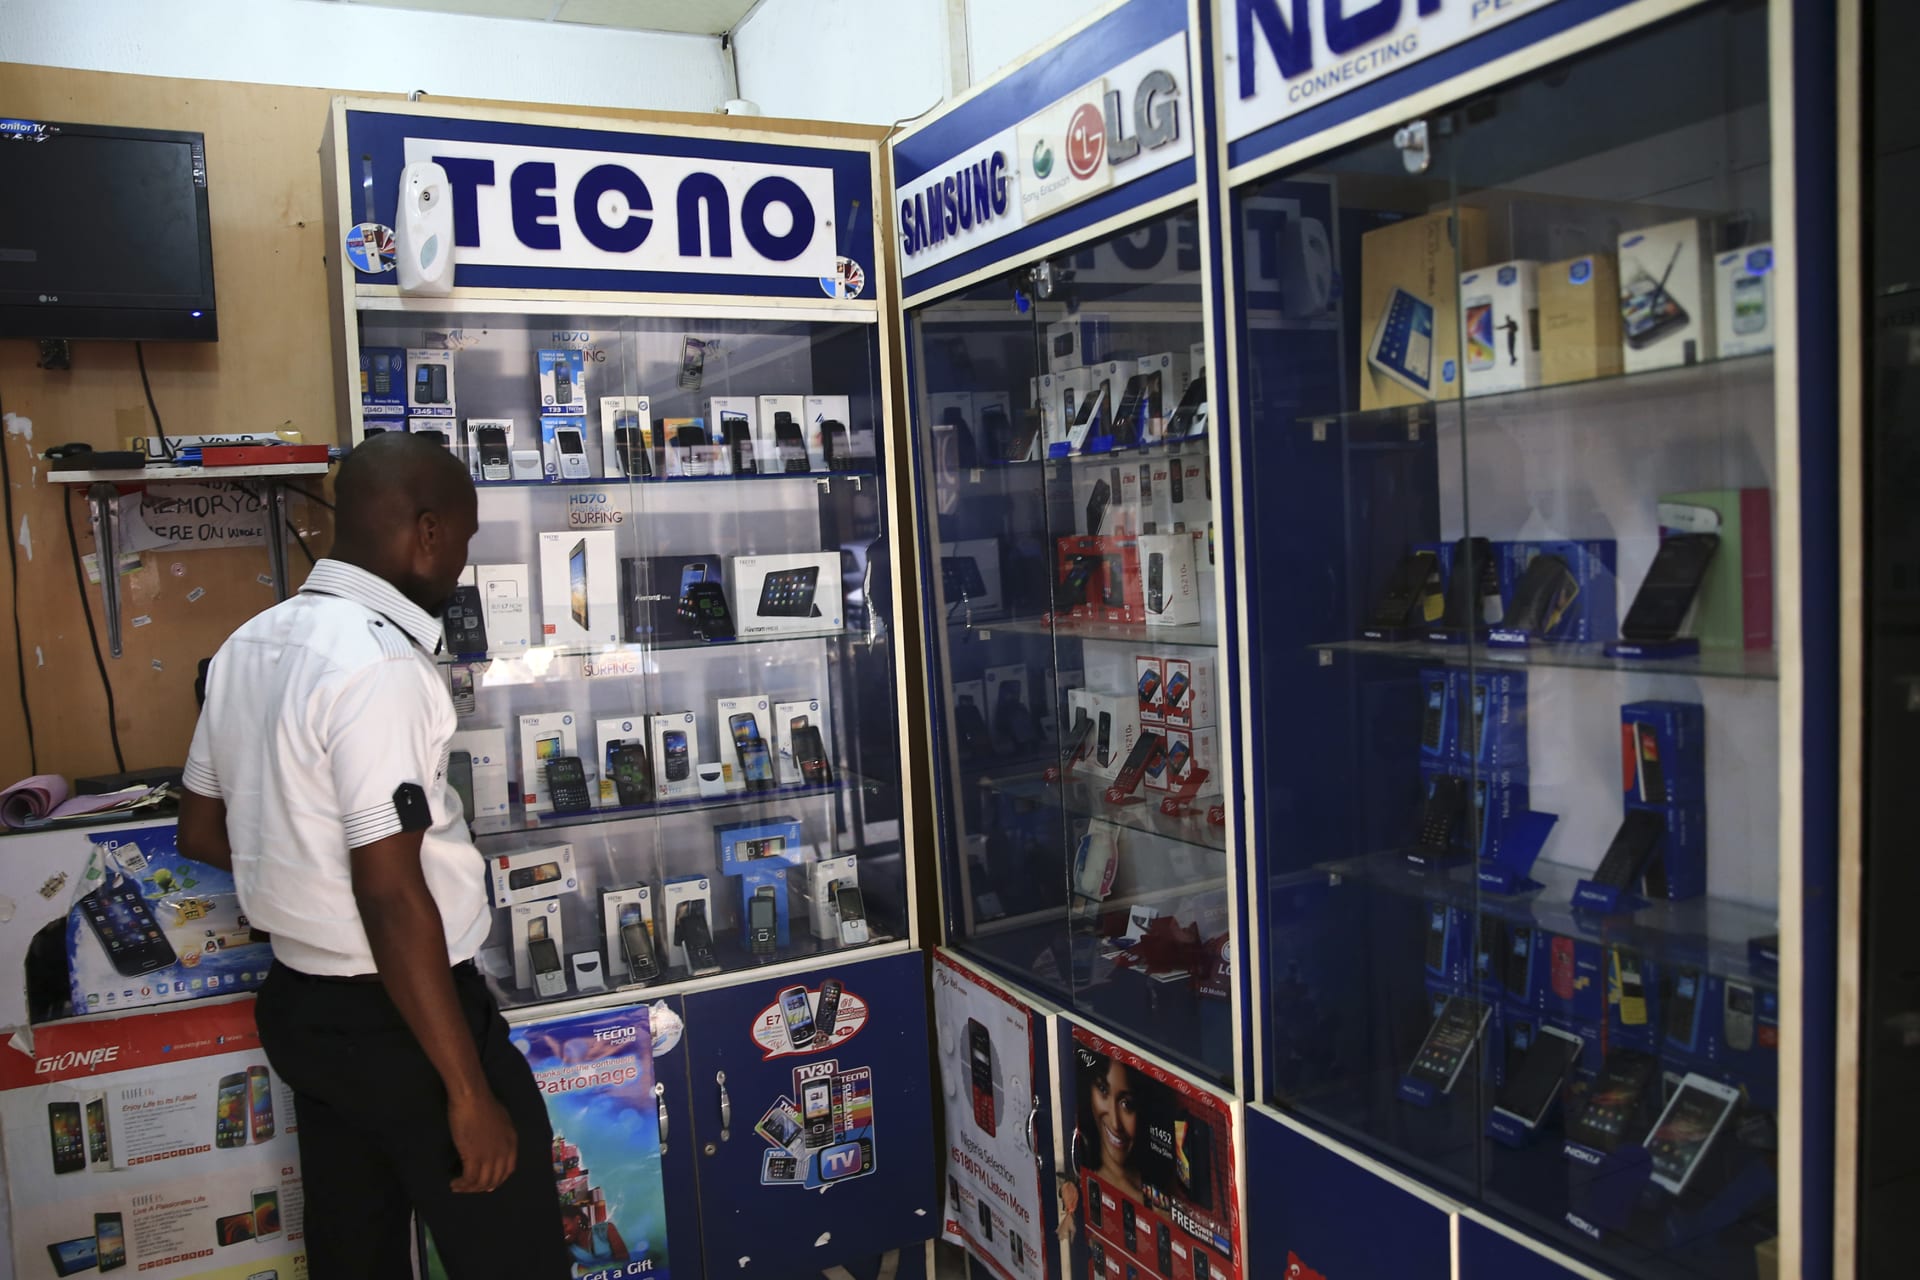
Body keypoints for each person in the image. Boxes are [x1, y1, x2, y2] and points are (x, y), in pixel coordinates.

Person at [176, 433, 567, 1279]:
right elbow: (390, 896)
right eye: (462, 541)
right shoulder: (381, 664)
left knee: (356, 1254)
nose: (462, 565)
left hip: (304, 1014)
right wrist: (467, 1094)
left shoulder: (250, 643)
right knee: (515, 1255)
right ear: (426, 531)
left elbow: (200, 832)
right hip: (412, 1030)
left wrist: (300, 873)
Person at [1075, 1049, 1147, 1203]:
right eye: (1103, 1090)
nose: (1115, 1123)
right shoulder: (1081, 1183)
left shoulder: (1158, 1199)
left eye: (1126, 1104)